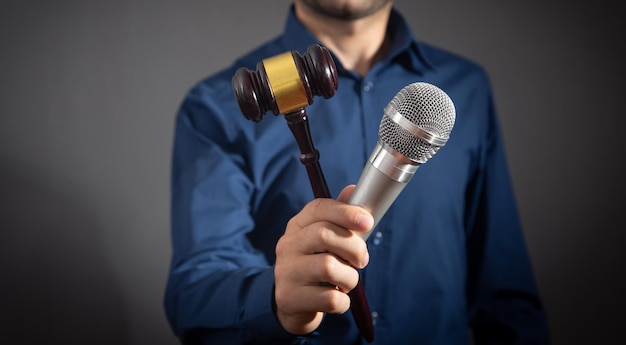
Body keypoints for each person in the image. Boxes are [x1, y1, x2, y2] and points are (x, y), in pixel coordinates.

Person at [164, 0, 550, 344]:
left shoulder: (466, 89)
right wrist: (275, 298)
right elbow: (196, 292)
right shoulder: (216, 107)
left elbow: (505, 293)